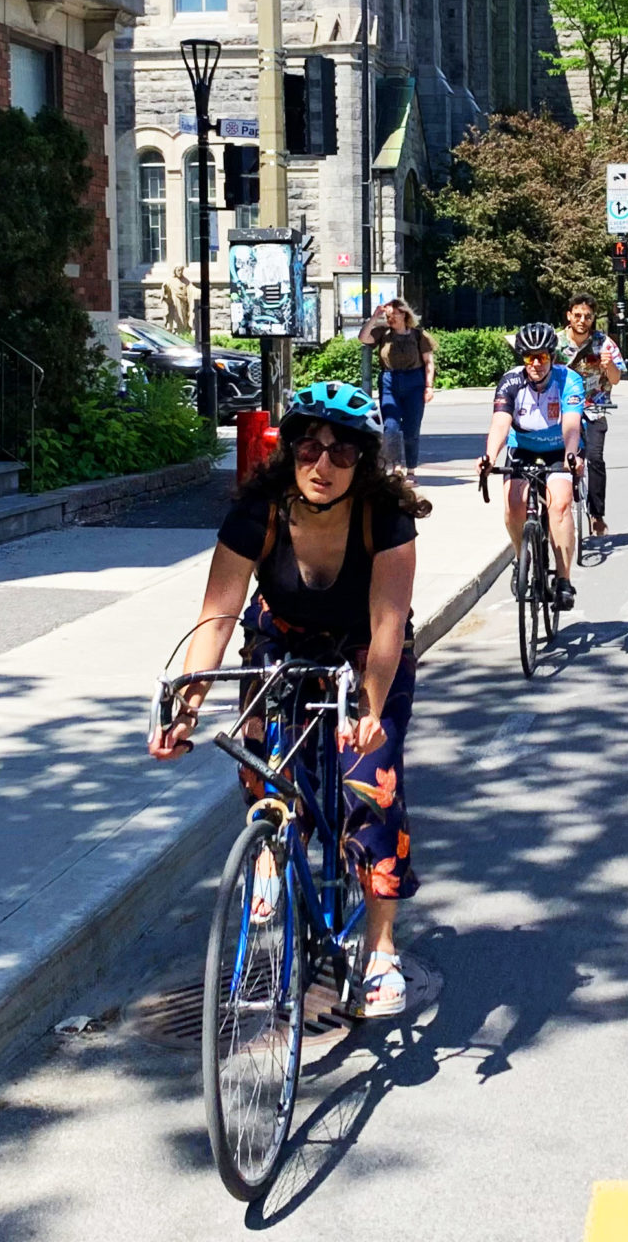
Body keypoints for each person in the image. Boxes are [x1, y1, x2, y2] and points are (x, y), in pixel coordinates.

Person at [149, 381, 430, 1018]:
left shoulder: (386, 519)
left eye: (341, 453)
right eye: (308, 448)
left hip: (364, 650)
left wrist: (371, 711)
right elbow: (217, 618)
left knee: (371, 781)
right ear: (289, 451)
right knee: (263, 762)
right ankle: (274, 851)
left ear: (363, 461)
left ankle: (381, 950)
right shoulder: (259, 511)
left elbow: (387, 630)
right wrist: (187, 708)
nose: (323, 465)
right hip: (282, 640)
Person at [485, 323, 585, 611]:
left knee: (560, 505)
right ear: (522, 359)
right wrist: (490, 457)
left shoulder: (569, 380)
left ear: (552, 356)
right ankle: (522, 558)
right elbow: (501, 424)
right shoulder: (510, 382)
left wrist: (570, 455)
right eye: (530, 358)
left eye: (542, 356)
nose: (537, 364)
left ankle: (563, 579)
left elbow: (571, 424)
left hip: (558, 448)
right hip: (523, 448)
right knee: (513, 505)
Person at [563, 296, 624, 536]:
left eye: (587, 316)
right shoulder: (556, 344)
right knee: (559, 462)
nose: (582, 320)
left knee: (595, 459)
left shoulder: (604, 343)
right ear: (569, 316)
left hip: (595, 409)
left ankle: (596, 515)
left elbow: (616, 379)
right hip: (563, 411)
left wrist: (608, 365)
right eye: (577, 315)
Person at [358, 300, 435, 470]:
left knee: (411, 429)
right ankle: (394, 467)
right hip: (389, 380)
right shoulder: (382, 333)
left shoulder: (418, 335)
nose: (390, 318)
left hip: (414, 381)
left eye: (393, 315)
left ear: (404, 314)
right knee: (390, 427)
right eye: (387, 316)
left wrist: (429, 387)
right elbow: (363, 337)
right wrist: (375, 317)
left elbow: (429, 362)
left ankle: (411, 469)